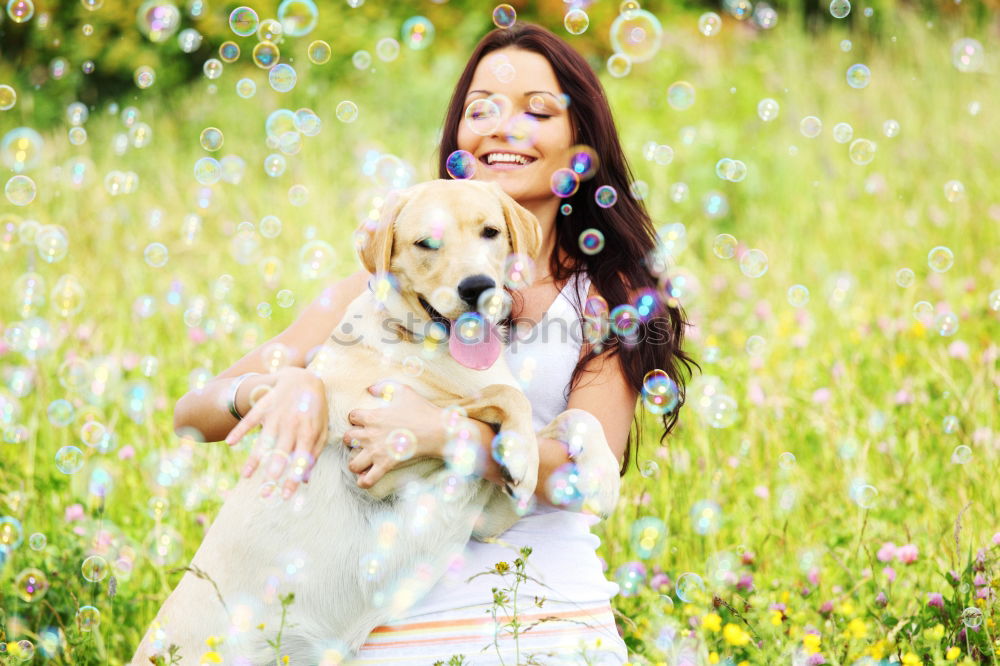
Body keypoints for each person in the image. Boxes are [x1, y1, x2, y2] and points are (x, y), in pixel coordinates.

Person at [173, 21, 693, 665]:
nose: (504, 127)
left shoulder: (603, 298)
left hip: (546, 622)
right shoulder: (379, 291)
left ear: (579, 142)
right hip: (391, 636)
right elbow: (192, 412)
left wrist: (450, 436)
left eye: (537, 110)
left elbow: (585, 476)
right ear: (459, 141)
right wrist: (280, 387)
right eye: (482, 110)